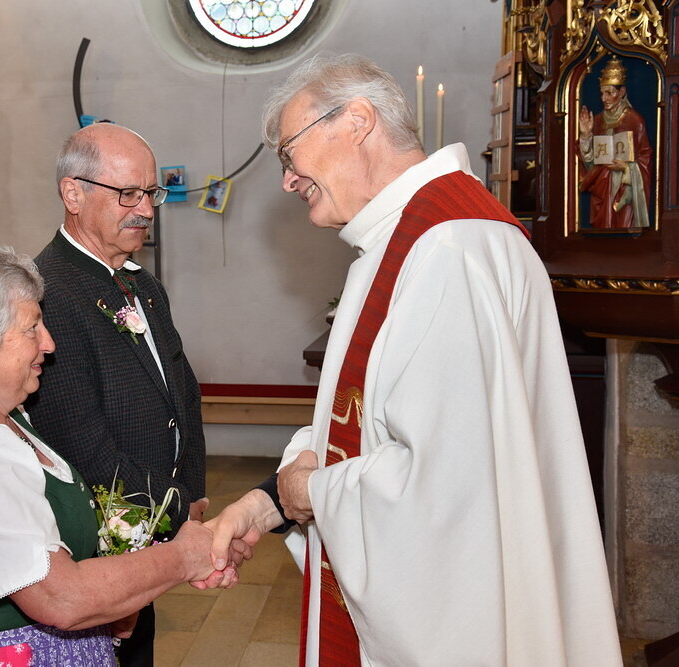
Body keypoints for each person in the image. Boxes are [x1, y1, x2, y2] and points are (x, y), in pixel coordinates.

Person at [203, 54, 621, 666]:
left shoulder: (446, 246)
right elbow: (372, 425)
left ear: (357, 122)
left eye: (289, 153)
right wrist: (267, 504)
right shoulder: (415, 236)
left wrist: (313, 491)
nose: (288, 180)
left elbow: (443, 488)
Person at [0, 240, 236, 667]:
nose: (49, 344)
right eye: (31, 328)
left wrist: (114, 601)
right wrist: (183, 557)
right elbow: (60, 598)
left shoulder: (9, 417)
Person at [25, 123, 207, 666]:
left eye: (151, 193)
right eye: (128, 193)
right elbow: (82, 445)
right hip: (99, 537)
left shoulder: (143, 285)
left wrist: (191, 495)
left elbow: (184, 396)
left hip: (152, 521)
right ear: (73, 193)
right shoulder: (49, 292)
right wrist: (178, 514)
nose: (146, 209)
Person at [578, 55, 652, 229]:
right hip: (602, 190)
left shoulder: (635, 121)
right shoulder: (596, 121)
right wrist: (586, 136)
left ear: (622, 92)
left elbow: (646, 159)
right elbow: (589, 164)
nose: (604, 98)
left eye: (609, 93)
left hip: (625, 189)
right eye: (602, 93)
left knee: (623, 226)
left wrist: (627, 168)